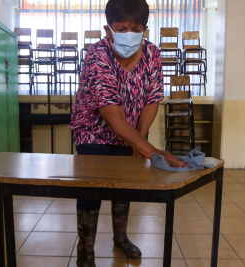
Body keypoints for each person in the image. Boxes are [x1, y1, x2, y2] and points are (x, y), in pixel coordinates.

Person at [69, 0, 189, 266]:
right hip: (93, 133)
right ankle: (85, 247)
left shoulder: (152, 54)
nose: (128, 34)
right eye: (121, 28)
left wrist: (141, 137)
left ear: (145, 29)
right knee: (91, 189)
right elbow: (112, 116)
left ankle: (120, 238)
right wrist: (153, 151)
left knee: (124, 187)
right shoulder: (97, 55)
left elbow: (152, 98)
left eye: (135, 28)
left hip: (131, 131)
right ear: (108, 28)